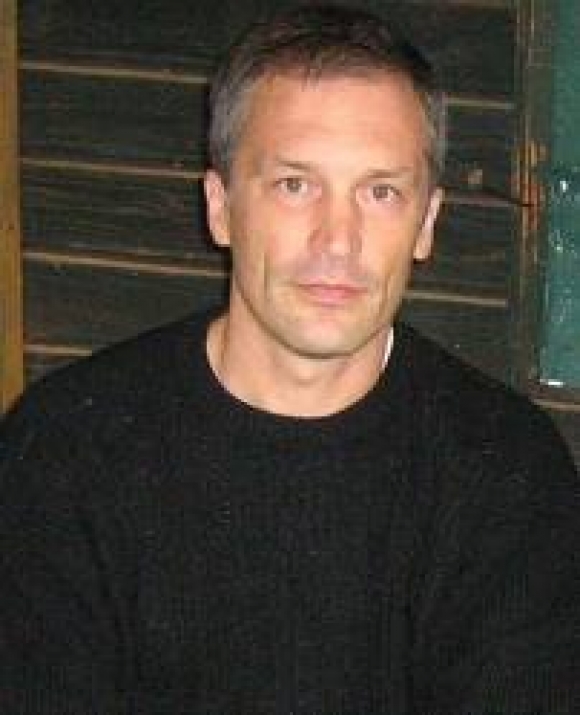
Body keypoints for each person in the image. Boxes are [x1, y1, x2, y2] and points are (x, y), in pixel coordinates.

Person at [0, 3, 578, 713]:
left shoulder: (507, 470)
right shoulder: (64, 451)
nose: (337, 239)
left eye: (381, 192)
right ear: (220, 206)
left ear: (426, 222)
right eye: (295, 185)